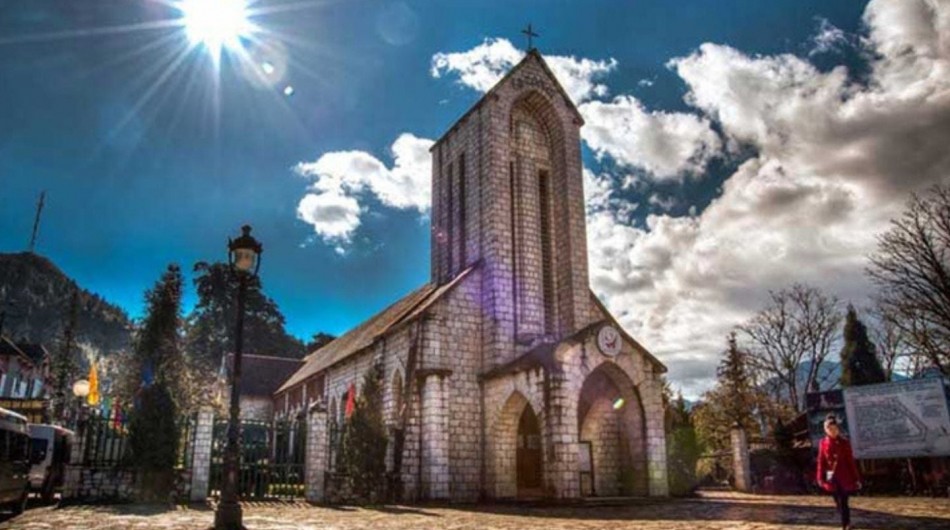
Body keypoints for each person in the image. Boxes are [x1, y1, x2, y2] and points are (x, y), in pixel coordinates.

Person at [816, 414, 861, 530]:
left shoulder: (844, 442)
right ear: (825, 430)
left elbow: (850, 462)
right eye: (830, 429)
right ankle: (846, 522)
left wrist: (856, 479)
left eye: (835, 429)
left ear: (838, 429)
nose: (833, 431)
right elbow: (821, 461)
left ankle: (846, 525)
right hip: (831, 477)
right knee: (838, 502)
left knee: (844, 501)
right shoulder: (823, 443)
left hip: (844, 477)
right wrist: (820, 478)